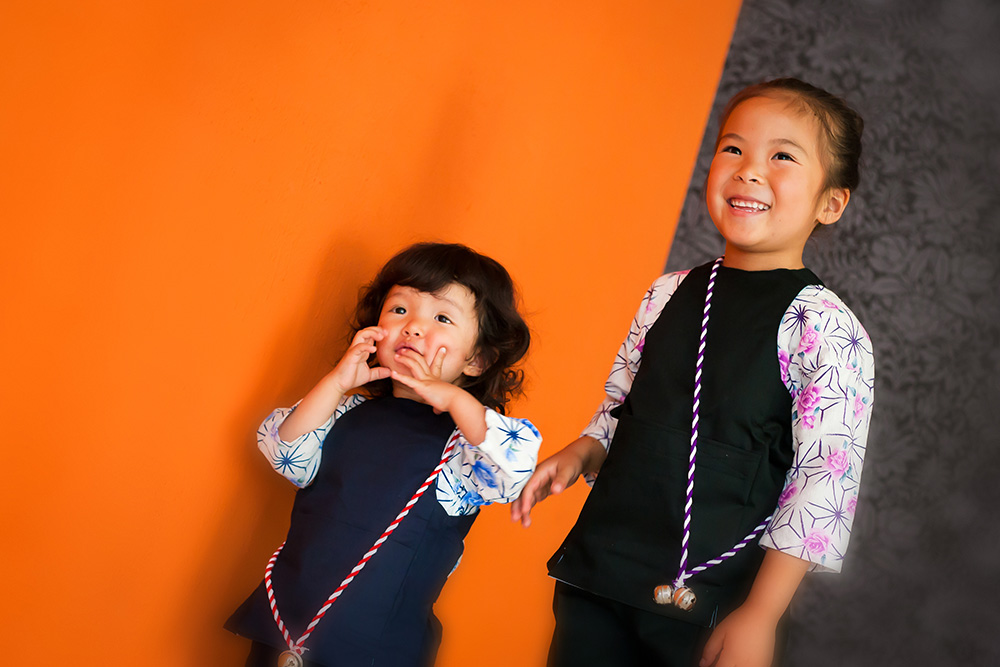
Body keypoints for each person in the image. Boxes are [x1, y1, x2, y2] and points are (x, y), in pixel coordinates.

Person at [511, 78, 875, 667]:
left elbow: (822, 485)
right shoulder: (668, 293)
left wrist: (761, 614)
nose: (749, 171)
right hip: (602, 573)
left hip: (710, 602)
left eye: (782, 157)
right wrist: (582, 451)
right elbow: (624, 407)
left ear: (829, 204)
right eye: (733, 149)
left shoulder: (826, 327)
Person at [228, 242, 541, 667]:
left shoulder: (465, 450)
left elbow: (514, 467)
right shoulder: (345, 412)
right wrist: (336, 382)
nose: (413, 327)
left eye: (442, 318)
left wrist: (451, 398)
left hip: (375, 647)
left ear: (478, 360)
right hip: (287, 624)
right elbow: (285, 451)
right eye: (399, 309)